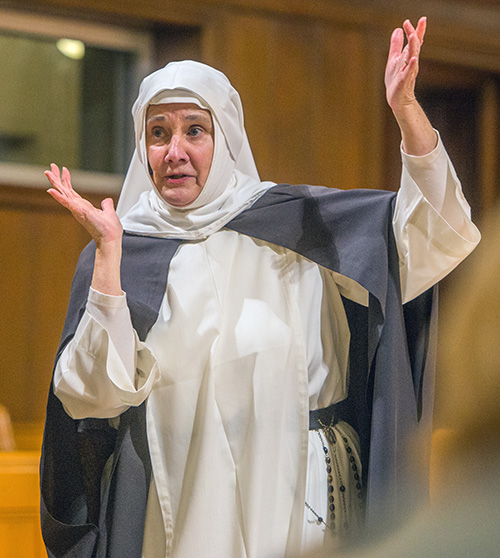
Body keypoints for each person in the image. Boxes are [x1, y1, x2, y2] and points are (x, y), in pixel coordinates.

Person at [40, 17, 480, 558]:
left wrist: (407, 112)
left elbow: (435, 234)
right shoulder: (122, 248)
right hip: (180, 510)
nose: (174, 150)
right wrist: (109, 265)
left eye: (194, 130)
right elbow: (90, 400)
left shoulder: (301, 225)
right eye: (158, 133)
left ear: (225, 138)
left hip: (303, 497)